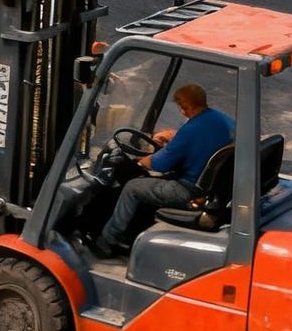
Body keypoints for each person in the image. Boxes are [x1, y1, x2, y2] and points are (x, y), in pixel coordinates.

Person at [93, 83, 234, 256]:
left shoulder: (190, 131)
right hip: (210, 184)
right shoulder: (222, 120)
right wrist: (173, 137)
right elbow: (200, 139)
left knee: (132, 187)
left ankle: (109, 238)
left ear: (187, 107)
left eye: (182, 108)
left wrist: (140, 160)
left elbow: (160, 164)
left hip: (187, 190)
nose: (181, 111)